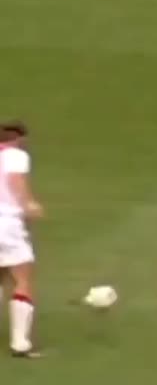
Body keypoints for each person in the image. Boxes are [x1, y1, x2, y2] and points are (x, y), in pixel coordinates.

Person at [0, 121, 44, 358]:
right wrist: (28, 204)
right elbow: (15, 179)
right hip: (6, 223)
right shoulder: (15, 155)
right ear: (17, 139)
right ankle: (20, 342)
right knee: (22, 277)